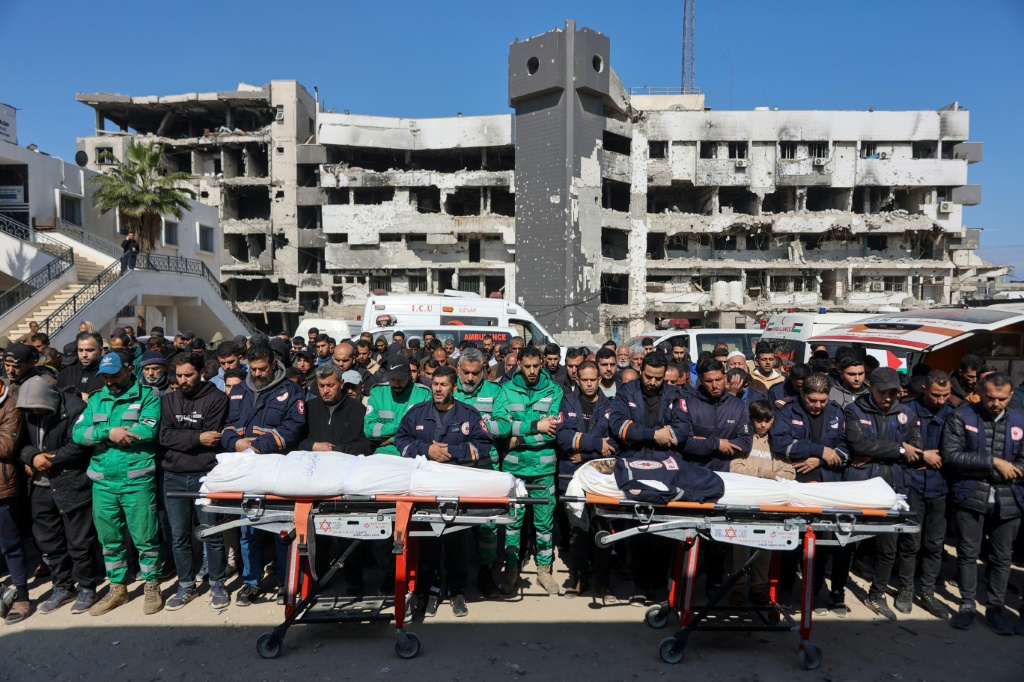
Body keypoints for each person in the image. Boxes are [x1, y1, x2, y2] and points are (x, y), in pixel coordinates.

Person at [71, 351, 164, 616]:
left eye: (115, 375)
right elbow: (78, 433)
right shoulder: (96, 399)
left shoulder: (147, 396)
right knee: (109, 540)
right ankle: (118, 588)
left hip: (136, 479)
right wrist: (107, 432)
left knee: (145, 537)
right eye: (106, 377)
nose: (110, 381)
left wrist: (109, 436)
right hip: (103, 482)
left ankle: (151, 585)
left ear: (129, 370)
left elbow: (147, 430)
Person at [396, 366, 492, 618]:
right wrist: (426, 450)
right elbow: (401, 441)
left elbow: (483, 445)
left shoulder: (469, 414)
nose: (438, 389)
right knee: (428, 543)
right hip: (426, 490)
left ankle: (457, 591)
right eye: (435, 384)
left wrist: (451, 452)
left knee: (456, 541)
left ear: (454, 387)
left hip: (456, 488)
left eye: (443, 384)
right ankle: (430, 592)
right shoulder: (417, 413)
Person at [221, 338, 307, 607]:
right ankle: (251, 582)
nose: (257, 374)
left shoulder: (291, 390)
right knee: (249, 530)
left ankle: (284, 581)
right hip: (245, 470)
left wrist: (259, 446)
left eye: (262, 369)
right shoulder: (239, 390)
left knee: (282, 529)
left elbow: (294, 427)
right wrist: (235, 443)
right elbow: (227, 424)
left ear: (272, 364)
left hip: (277, 468)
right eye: (253, 369)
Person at [942, 371, 1024, 634]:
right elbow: (952, 456)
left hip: (1009, 500)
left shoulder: (1021, 421)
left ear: (1011, 396)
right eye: (990, 397)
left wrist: (981, 470)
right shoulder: (962, 416)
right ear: (980, 392)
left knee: (1002, 558)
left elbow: (1022, 465)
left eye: (1002, 398)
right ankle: (967, 605)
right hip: (969, 496)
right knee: (967, 554)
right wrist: (994, 463)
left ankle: (995, 609)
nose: (996, 403)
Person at [608, 351, 691, 603]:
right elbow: (618, 426)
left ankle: (659, 585)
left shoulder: (675, 394)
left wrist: (639, 433)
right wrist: (654, 435)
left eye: (658, 378)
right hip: (635, 466)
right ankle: (640, 586)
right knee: (638, 529)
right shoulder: (626, 391)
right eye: (648, 376)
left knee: (663, 529)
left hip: (665, 468)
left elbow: (682, 431)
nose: (652, 382)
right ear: (640, 371)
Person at [843, 367, 923, 621]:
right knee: (847, 542)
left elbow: (916, 449)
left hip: (894, 488)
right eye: (883, 392)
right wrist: (899, 449)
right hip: (860, 486)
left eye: (893, 392)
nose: (888, 397)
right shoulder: (854, 410)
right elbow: (858, 444)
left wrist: (878, 452)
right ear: (870, 388)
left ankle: (876, 594)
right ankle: (835, 593)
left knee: (888, 546)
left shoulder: (907, 414)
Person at [18, 377, 102, 616]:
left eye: (39, 408)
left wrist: (48, 459)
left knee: (79, 541)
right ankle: (63, 587)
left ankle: (86, 586)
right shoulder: (26, 412)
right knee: (50, 542)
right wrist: (32, 456)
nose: (35, 413)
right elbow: (20, 442)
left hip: (72, 483)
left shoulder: (76, 409)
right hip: (40, 487)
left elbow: (80, 444)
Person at [770, 373, 852, 614]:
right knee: (791, 540)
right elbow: (781, 445)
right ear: (802, 394)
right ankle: (786, 589)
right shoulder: (786, 410)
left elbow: (846, 449)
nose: (817, 405)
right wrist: (821, 450)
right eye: (812, 400)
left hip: (827, 484)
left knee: (822, 545)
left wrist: (819, 459)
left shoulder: (836, 412)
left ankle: (814, 592)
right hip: (794, 485)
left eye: (822, 401)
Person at [158, 353, 230, 611]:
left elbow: (213, 437)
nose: (183, 380)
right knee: (179, 536)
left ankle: (218, 584)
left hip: (205, 476)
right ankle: (186, 585)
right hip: (173, 476)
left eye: (188, 375)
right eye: (179, 375)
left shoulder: (217, 399)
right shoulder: (168, 400)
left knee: (211, 533)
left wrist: (185, 437)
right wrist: (196, 438)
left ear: (201, 372)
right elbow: (164, 436)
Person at [493, 346, 564, 595]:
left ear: (542, 363)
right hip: (514, 469)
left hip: (543, 468)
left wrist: (519, 438)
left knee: (544, 524)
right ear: (519, 365)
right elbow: (503, 428)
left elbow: (551, 432)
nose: (532, 371)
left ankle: (544, 570)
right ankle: (511, 569)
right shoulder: (505, 390)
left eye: (536, 366)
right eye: (527, 366)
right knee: (513, 523)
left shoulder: (554, 390)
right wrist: (536, 426)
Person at [555, 361, 615, 599]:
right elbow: (563, 437)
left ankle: (603, 583)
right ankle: (579, 579)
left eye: (593, 379)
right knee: (578, 532)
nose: (589, 384)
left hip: (602, 478)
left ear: (600, 380)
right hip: (572, 477)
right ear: (577, 380)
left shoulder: (610, 406)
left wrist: (587, 454)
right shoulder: (567, 402)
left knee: (602, 531)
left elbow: (615, 443)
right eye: (584, 380)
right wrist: (597, 444)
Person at [899, 370, 954, 620]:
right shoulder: (906, 411)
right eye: (935, 395)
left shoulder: (954, 413)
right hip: (912, 485)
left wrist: (940, 457)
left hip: (941, 487)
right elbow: (895, 442)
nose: (941, 400)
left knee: (934, 544)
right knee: (910, 541)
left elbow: (961, 448)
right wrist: (920, 456)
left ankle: (928, 591)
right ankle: (906, 589)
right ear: (924, 389)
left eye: (945, 395)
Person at [729, 400, 794, 607]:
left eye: (767, 420)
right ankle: (737, 589)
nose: (763, 425)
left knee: (764, 549)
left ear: (773, 419)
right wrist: (767, 474)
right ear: (751, 419)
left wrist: (771, 476)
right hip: (745, 503)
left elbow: (789, 473)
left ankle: (757, 589)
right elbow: (735, 468)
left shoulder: (777, 442)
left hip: (769, 506)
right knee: (740, 549)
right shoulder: (744, 438)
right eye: (759, 421)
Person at [453, 347, 504, 597]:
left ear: (484, 370)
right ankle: (458, 580)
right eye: (466, 373)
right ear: (458, 370)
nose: (470, 378)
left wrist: (470, 426)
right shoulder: (449, 390)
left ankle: (486, 572)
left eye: (476, 373)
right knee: (456, 526)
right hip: (455, 469)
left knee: (488, 525)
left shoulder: (495, 392)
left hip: (486, 468)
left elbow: (504, 425)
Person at [0, 379, 29, 623]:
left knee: (10, 544)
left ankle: (22, 596)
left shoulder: (9, 406)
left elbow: (6, 447)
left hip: (2, 487)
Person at [298, 362, 373, 455]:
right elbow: (296, 439)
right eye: (321, 386)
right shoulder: (308, 408)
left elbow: (366, 445)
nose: (325, 391)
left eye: (330, 385)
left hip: (346, 461)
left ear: (341, 384)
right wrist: (313, 446)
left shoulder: (359, 410)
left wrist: (338, 449)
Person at [365, 351, 431, 456]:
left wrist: (392, 439)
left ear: (409, 375)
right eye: (392, 379)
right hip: (381, 454)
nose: (396, 384)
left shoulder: (423, 394)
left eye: (400, 379)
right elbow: (369, 430)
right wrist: (401, 427)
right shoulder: (378, 393)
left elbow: (425, 431)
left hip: (410, 453)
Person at [58, 332, 105, 400]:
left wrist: (90, 400)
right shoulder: (66, 373)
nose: (84, 355)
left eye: (89, 350)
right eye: (80, 350)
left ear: (101, 351)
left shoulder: (108, 374)